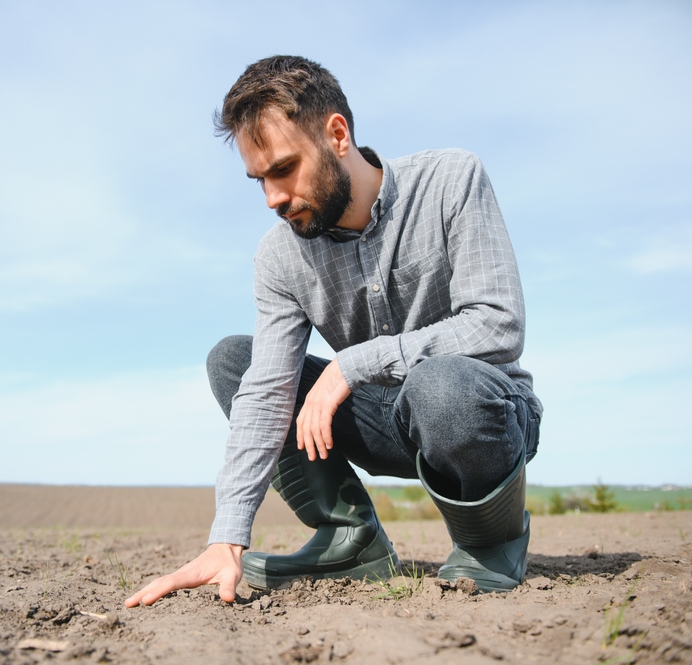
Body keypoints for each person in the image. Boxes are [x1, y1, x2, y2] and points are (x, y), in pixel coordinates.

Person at [125, 55, 542, 608]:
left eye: (283, 170)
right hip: (378, 422)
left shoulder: (451, 180)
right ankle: (351, 538)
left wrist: (355, 363)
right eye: (259, 181)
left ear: (337, 134)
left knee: (440, 386)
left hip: (477, 412)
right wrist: (227, 536)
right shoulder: (279, 257)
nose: (272, 198)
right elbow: (267, 392)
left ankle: (493, 540)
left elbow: (498, 324)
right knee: (234, 361)